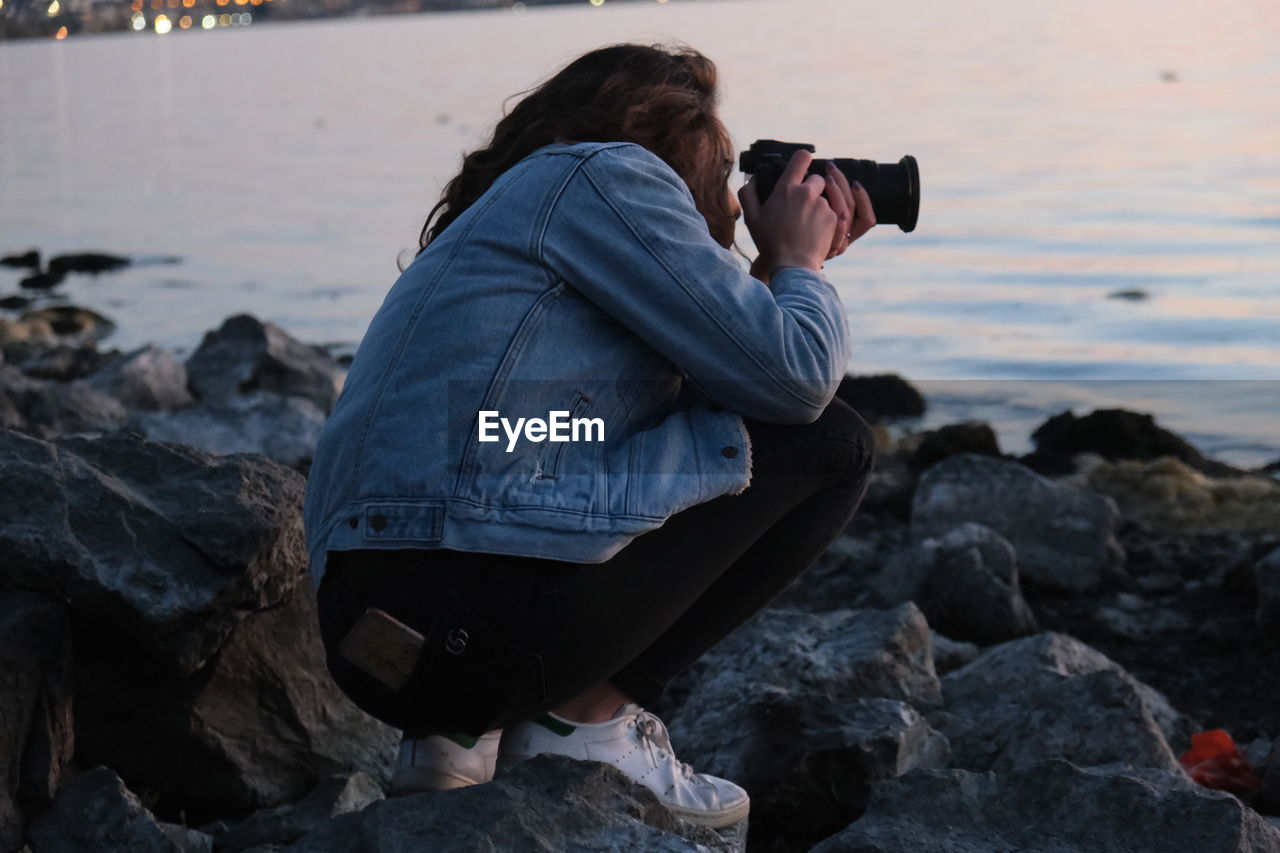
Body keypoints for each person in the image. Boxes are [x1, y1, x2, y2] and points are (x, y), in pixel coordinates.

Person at [303, 42, 876, 830]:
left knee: (583, 440)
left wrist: (775, 278)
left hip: (373, 642)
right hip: (472, 615)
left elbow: (709, 402)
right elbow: (796, 380)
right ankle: (584, 722)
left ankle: (457, 736)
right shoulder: (607, 174)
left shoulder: (504, 216)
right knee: (836, 445)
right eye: (714, 178)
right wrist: (800, 265)